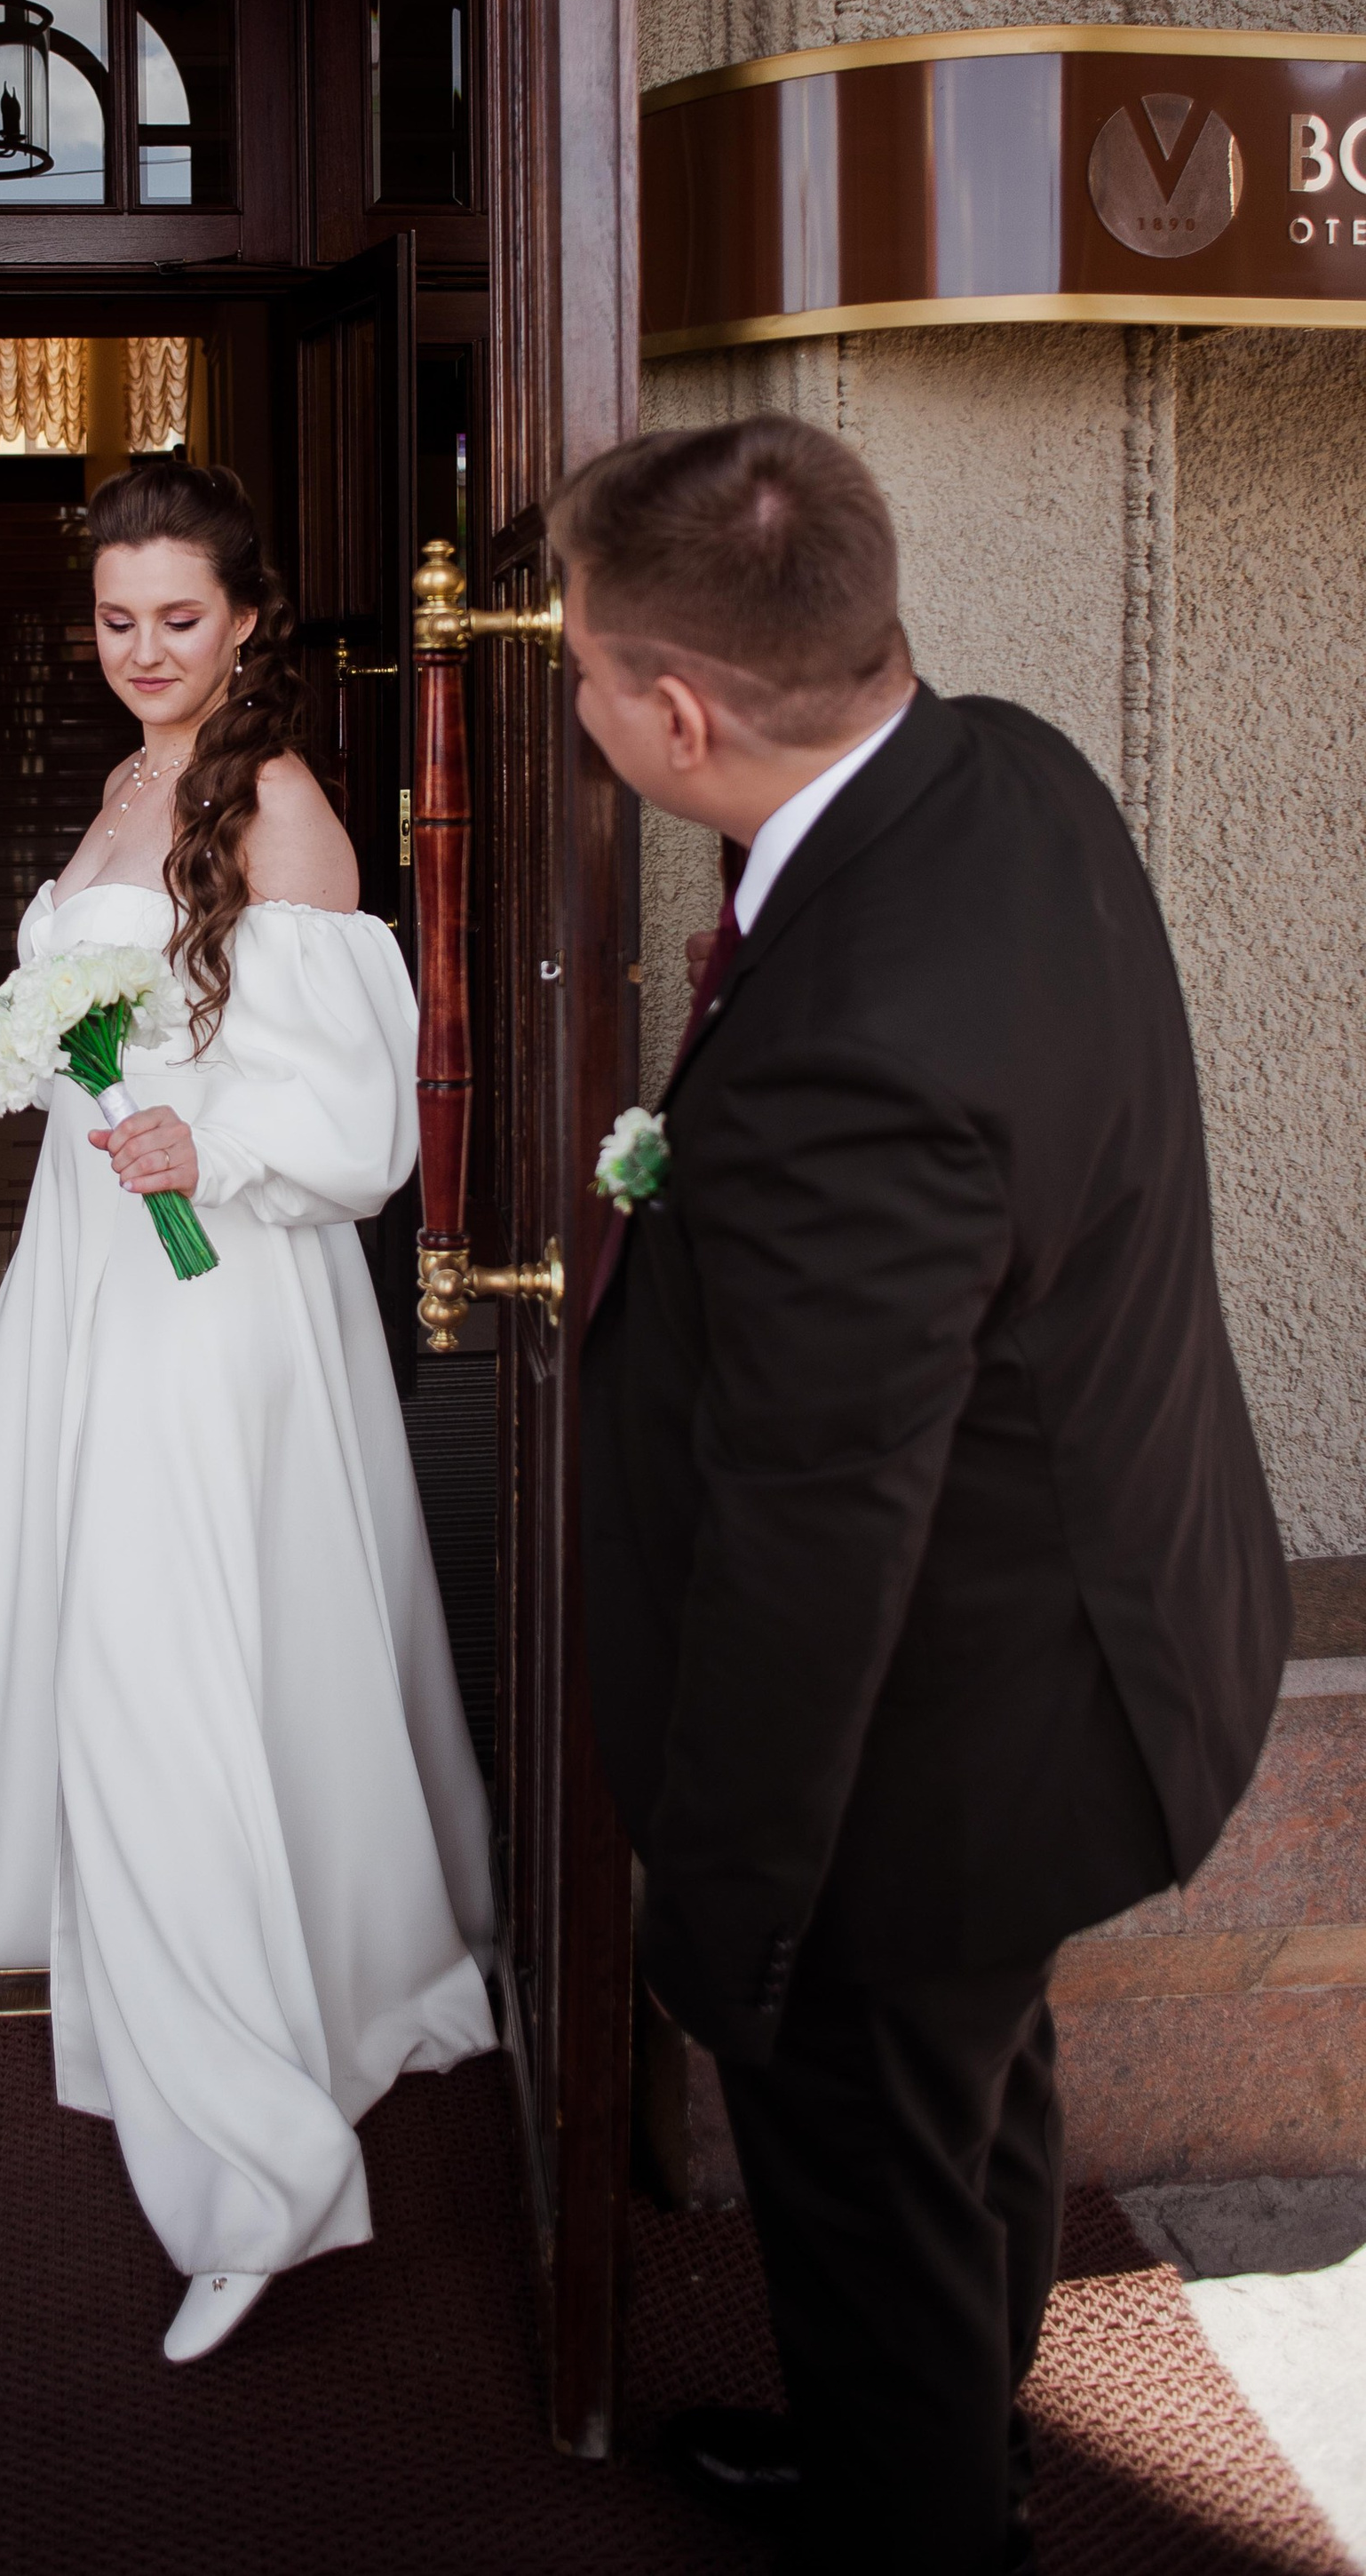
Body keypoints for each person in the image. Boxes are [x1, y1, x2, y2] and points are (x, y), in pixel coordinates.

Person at [553, 416, 1290, 2575]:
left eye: (583, 674)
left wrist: (723, 1917)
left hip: (943, 1744)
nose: (579, 704)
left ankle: (922, 2503)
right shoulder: (1001, 764)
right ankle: (957, 2443)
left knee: (870, 2167)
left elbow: (814, 1527)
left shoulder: (857, 1048)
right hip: (1088, 1632)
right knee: (968, 2103)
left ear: (674, 714)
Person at [0, 462, 496, 2365]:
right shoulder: (136, 788)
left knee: (159, 1675)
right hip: (94, 1283)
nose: (140, 650)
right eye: (116, 617)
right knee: (101, 1643)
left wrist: (199, 1137)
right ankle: (248, 1988)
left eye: (176, 616)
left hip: (208, 1304)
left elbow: (358, 1129)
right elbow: (83, 1061)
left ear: (244, 619)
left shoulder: (284, 812)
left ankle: (252, 2163)